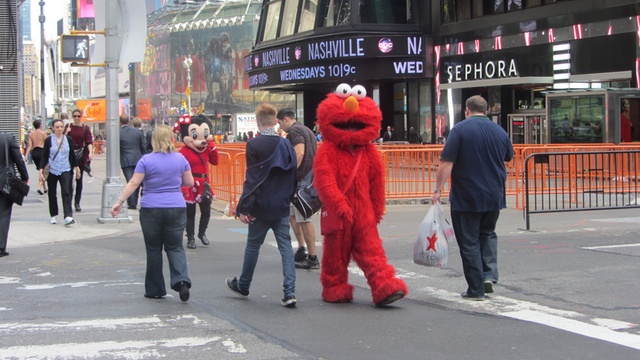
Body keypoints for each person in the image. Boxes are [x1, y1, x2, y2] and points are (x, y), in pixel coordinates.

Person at [430, 95, 514, 301]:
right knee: (487, 234)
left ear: (467, 110)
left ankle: (476, 289)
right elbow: (508, 157)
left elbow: (446, 163)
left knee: (469, 242)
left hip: (467, 196)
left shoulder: (460, 130)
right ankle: (488, 275)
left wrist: (437, 190)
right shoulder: (500, 131)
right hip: (494, 194)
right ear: (486, 110)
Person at [225, 103, 298, 308]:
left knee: (253, 246)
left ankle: (244, 284)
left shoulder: (254, 145)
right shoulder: (286, 145)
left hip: (260, 206)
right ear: (275, 121)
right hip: (281, 205)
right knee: (285, 247)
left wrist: (244, 208)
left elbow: (253, 179)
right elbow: (293, 175)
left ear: (258, 122)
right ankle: (289, 292)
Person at [111, 125, 194, 302]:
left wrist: (119, 202)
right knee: (175, 246)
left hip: (151, 209)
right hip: (176, 207)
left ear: (153, 140)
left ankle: (155, 289)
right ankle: (181, 281)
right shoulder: (181, 159)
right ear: (171, 138)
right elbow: (189, 182)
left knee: (154, 249)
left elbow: (133, 183)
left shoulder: (145, 160)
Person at [276, 108, 320, 269]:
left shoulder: (295, 131)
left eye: (280, 123)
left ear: (285, 119)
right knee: (293, 216)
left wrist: (290, 170)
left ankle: (313, 256)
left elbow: (299, 153)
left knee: (303, 219)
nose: (280, 127)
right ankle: (302, 248)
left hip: (301, 180)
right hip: (307, 179)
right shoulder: (306, 129)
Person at [40, 119, 81, 226]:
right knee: (52, 192)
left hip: (65, 168)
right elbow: (45, 156)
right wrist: (41, 170)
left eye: (61, 127)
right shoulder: (49, 140)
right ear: (53, 128)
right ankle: (53, 215)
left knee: (66, 192)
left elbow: (72, 155)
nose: (59, 129)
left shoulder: (68, 139)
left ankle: (68, 215)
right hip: (53, 170)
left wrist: (77, 168)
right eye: (57, 127)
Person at [0, 132, 29, 257]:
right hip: (5, 181)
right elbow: (18, 159)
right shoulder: (8, 139)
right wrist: (24, 177)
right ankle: (1, 247)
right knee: (4, 213)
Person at [65, 108, 93, 212]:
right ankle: (69, 200)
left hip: (81, 155)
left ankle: (77, 202)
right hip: (70, 155)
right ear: (72, 116)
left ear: (81, 116)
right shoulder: (69, 127)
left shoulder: (85, 128)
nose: (76, 118)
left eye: (78, 116)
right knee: (68, 179)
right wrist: (67, 133)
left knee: (79, 179)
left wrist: (90, 152)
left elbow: (89, 141)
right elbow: (62, 140)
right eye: (75, 116)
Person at [119, 114, 146, 210]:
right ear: (128, 121)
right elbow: (143, 147)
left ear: (120, 122)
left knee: (131, 181)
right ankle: (141, 201)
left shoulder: (118, 133)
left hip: (126, 161)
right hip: (138, 160)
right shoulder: (137, 132)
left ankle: (132, 204)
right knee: (140, 181)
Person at [24, 119, 48, 195]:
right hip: (42, 152)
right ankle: (39, 187)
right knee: (43, 171)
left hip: (34, 153)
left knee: (41, 170)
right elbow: (47, 144)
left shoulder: (31, 135)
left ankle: (45, 188)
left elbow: (29, 146)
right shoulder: (43, 133)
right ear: (40, 125)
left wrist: (26, 155)